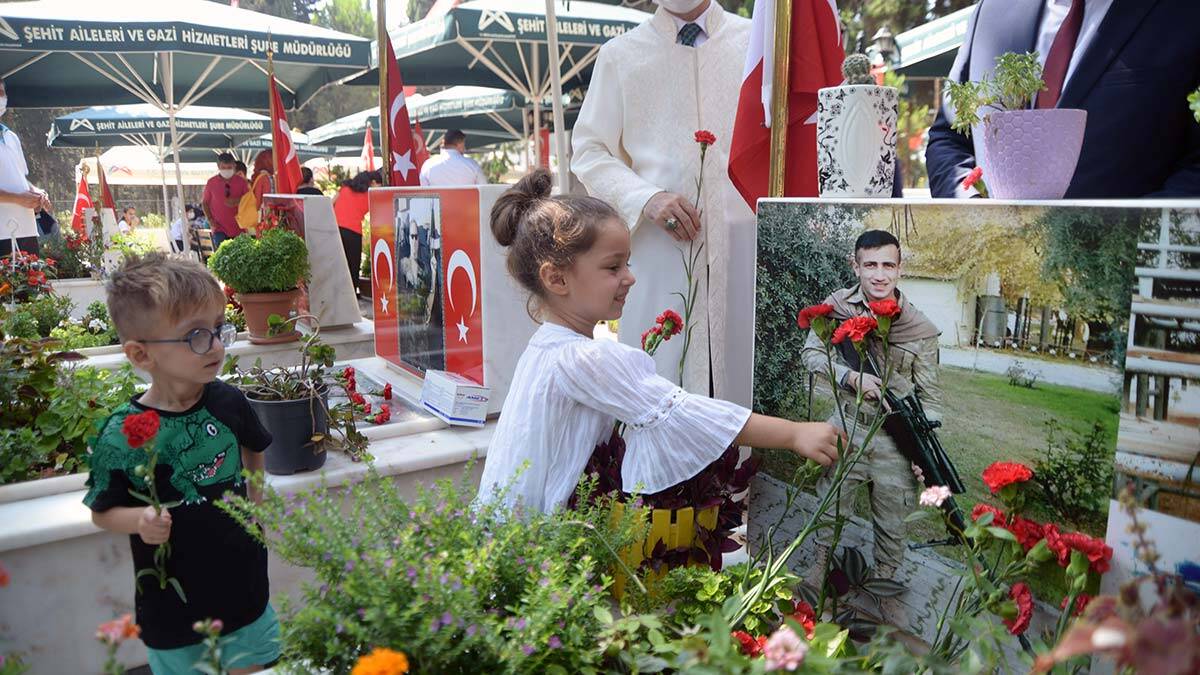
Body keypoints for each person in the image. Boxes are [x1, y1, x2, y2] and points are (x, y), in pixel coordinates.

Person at [476, 170, 842, 513]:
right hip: (533, 548)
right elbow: (683, 414)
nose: (629, 277)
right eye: (613, 267)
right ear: (557, 279)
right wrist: (795, 433)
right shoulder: (583, 358)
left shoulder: (547, 345)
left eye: (628, 263)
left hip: (509, 539)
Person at [83, 253, 279, 674]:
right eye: (196, 336)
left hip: (245, 591)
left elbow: (254, 447)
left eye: (218, 329)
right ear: (141, 355)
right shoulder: (122, 432)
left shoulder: (229, 402)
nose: (217, 346)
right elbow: (102, 511)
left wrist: (257, 501)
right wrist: (138, 520)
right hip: (173, 611)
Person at [571, 0, 753, 399]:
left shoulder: (756, 44)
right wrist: (645, 197)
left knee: (750, 386)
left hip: (746, 253)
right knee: (660, 388)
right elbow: (588, 151)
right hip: (659, 255)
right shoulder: (620, 56)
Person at [926, 0, 1200, 198]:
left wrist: (1141, 238)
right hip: (990, 255)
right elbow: (949, 137)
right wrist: (972, 210)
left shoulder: (1183, 13)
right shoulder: (993, 11)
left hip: (1124, 256)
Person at [800, 230, 942, 580]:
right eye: (871, 265)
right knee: (830, 503)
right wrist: (850, 377)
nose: (879, 275)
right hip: (848, 427)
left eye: (888, 266)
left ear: (899, 269)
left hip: (896, 439)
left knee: (893, 521)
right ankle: (820, 566)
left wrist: (924, 450)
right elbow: (811, 354)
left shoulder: (919, 328)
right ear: (856, 266)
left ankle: (884, 582)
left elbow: (930, 397)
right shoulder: (838, 307)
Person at [0, 77, 51, 257]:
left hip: (26, 230)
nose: (1, 98)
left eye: (2, 93)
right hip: (1, 232)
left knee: (34, 276)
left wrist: (37, 193)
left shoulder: (11, 136)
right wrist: (17, 198)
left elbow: (21, 177)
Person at [333, 170, 381, 292]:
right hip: (353, 232)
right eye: (379, 185)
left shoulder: (344, 188)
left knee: (339, 265)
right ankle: (352, 294)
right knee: (353, 266)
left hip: (336, 230)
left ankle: (337, 293)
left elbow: (331, 203)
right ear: (373, 182)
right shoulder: (370, 195)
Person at [201, 152, 249, 251]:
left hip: (239, 228)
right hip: (219, 229)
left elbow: (249, 200)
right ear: (218, 166)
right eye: (223, 167)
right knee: (222, 256)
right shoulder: (211, 183)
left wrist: (238, 201)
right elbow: (205, 203)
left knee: (240, 256)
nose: (226, 170)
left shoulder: (242, 182)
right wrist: (210, 219)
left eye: (229, 167)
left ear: (234, 166)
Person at [418, 129, 487, 187]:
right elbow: (484, 189)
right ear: (460, 144)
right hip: (466, 199)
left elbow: (423, 190)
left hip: (438, 199)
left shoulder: (428, 165)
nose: (464, 148)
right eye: (464, 144)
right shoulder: (472, 165)